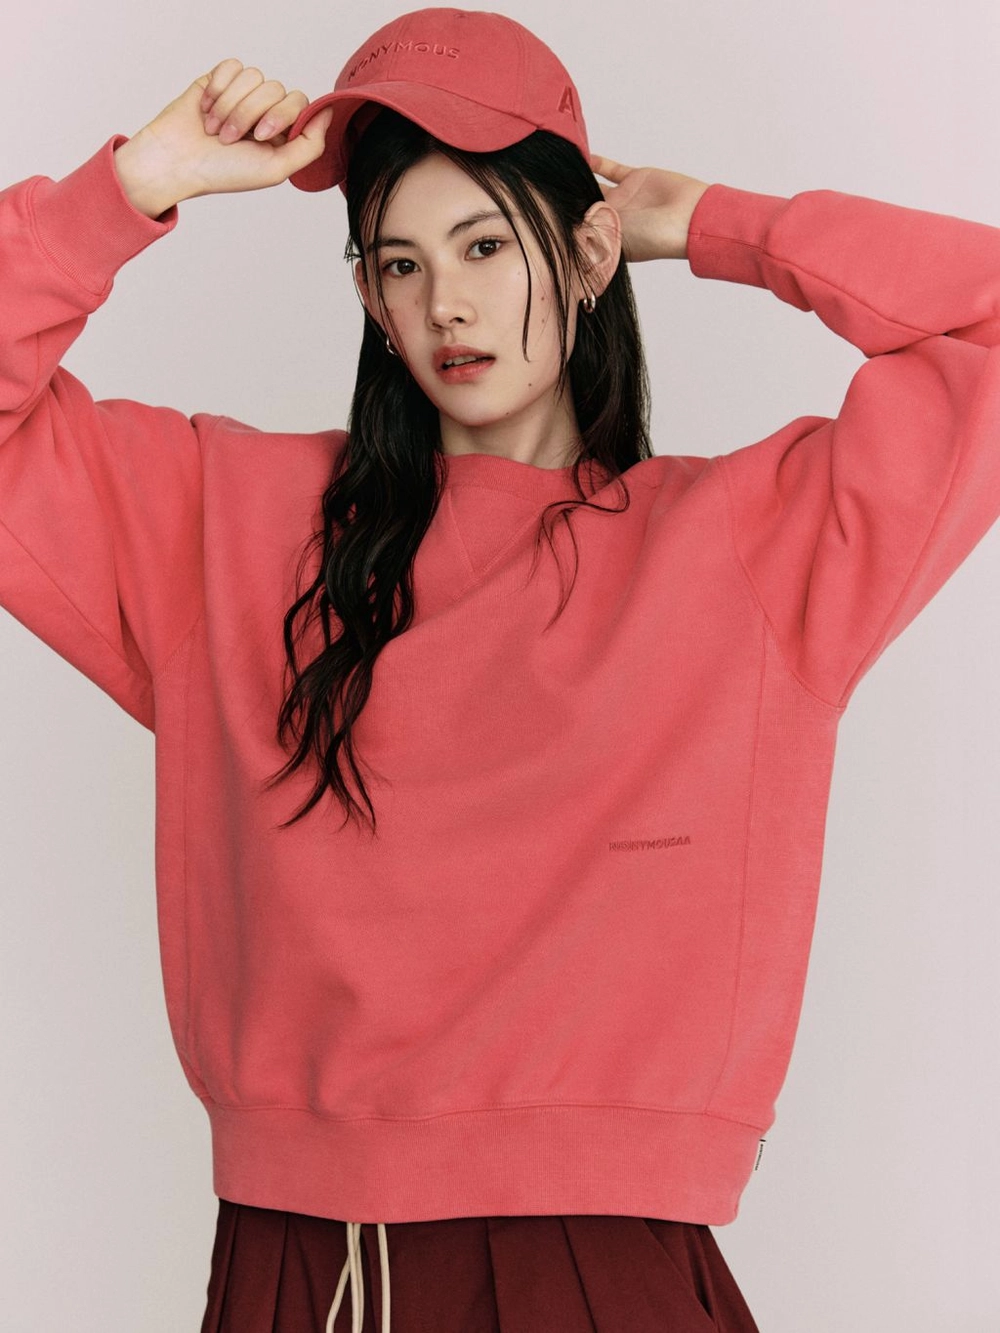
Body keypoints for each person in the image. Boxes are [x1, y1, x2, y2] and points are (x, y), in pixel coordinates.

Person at [3, 5, 999, 1330]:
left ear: (587, 252)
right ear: (370, 295)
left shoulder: (751, 545)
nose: (447, 305)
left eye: (484, 245)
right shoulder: (221, 525)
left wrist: (720, 223)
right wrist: (129, 187)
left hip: (608, 1268)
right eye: (399, 263)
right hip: (309, 1264)